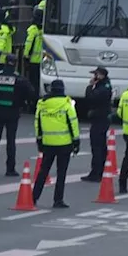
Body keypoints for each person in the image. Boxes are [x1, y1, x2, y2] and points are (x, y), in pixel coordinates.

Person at [32, 79, 80, 209]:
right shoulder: (66, 104)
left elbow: (38, 124)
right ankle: (58, 200)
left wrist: (39, 139)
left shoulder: (42, 104)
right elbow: (73, 123)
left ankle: (33, 197)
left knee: (43, 171)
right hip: (65, 143)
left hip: (48, 143)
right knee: (61, 173)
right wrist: (76, 141)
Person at [0, 54, 33, 177]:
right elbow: (31, 93)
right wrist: (23, 103)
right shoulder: (20, 79)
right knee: (11, 141)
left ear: (5, 62)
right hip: (13, 113)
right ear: (15, 63)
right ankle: (10, 169)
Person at [80, 66, 114, 183]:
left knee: (97, 146)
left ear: (101, 75)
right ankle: (98, 171)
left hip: (100, 118)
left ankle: (96, 172)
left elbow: (91, 98)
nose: (94, 77)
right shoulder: (104, 86)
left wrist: (90, 86)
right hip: (101, 118)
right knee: (100, 145)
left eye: (96, 75)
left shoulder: (103, 88)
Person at [23, 9, 44, 90]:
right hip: (42, 60)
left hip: (33, 60)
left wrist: (26, 55)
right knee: (38, 81)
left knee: (32, 81)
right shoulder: (44, 29)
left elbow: (29, 43)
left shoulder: (33, 29)